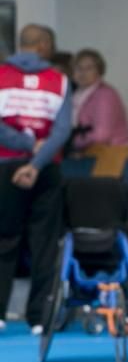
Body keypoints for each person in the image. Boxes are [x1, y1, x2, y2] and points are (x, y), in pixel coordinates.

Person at [0, 24, 72, 334]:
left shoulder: (2, 75)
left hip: (5, 165)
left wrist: (25, 148)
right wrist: (37, 160)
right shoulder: (59, 81)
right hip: (45, 170)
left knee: (4, 241)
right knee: (44, 243)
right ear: (43, 46)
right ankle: (40, 317)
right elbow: (62, 131)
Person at [69, 48, 128, 150]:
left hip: (109, 155)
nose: (83, 73)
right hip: (91, 153)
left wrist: (73, 141)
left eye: (89, 68)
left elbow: (102, 135)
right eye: (79, 68)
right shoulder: (76, 94)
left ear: (99, 71)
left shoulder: (105, 95)